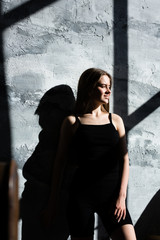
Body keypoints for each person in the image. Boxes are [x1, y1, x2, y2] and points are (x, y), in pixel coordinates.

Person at [45, 68, 137, 240]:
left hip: (112, 197)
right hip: (81, 197)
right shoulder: (72, 122)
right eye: (103, 86)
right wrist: (53, 202)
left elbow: (124, 159)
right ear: (89, 88)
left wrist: (121, 197)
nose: (109, 91)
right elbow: (60, 162)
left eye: (109, 86)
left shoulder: (115, 120)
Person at [20, 85, 75, 240]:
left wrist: (52, 207)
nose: (43, 117)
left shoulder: (61, 141)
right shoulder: (47, 137)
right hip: (38, 202)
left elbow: (60, 178)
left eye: (50, 111)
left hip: (48, 205)